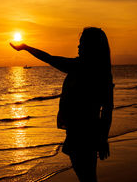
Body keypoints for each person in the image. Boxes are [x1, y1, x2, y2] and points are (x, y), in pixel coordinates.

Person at [10, 27, 114, 182]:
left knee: (87, 177)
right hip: (89, 132)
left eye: (82, 43)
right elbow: (107, 109)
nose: (78, 47)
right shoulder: (101, 71)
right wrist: (103, 138)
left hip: (81, 133)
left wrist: (25, 48)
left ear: (91, 46)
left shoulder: (81, 67)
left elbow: (49, 58)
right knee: (88, 176)